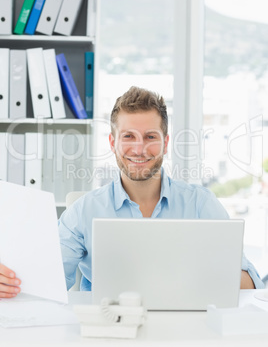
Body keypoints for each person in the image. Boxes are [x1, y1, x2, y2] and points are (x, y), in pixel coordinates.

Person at [0, 86, 264, 298]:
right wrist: (8, 280)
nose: (139, 149)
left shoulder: (200, 204)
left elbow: (250, 284)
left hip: (185, 331)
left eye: (150, 137)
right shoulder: (83, 211)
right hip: (107, 333)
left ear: (166, 143)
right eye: (128, 137)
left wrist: (196, 272)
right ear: (113, 143)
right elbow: (46, 281)